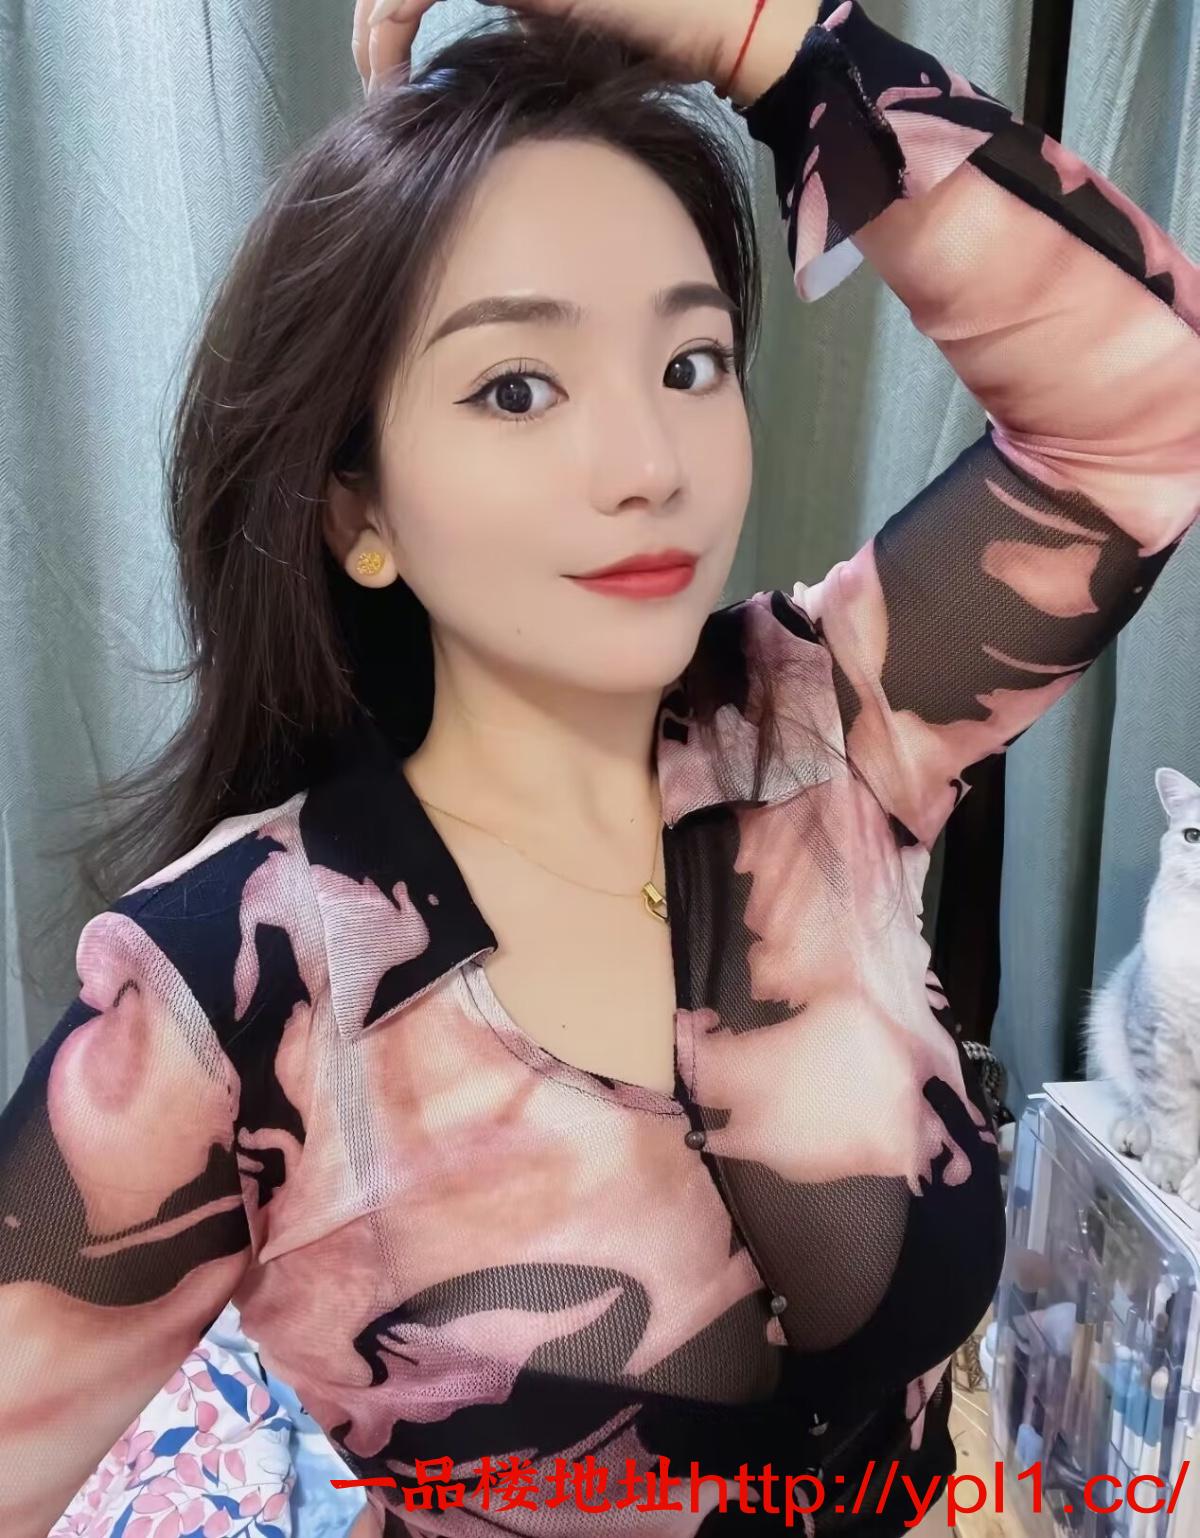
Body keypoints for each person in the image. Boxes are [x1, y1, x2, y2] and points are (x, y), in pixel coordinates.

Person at [3, 0, 1197, 1532]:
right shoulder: (225, 998)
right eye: (518, 387)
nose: (650, 462)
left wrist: (763, 37)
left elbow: (1147, 414)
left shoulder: (822, 726)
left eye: (692, 362)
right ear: (358, 509)